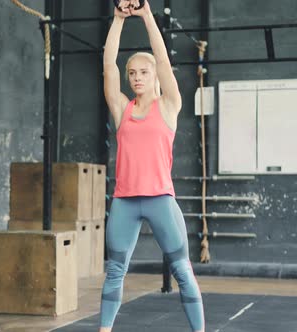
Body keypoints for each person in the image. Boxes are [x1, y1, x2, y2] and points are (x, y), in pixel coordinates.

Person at [99, 1, 205, 331]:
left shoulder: (169, 106)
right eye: (132, 73)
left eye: (143, 72)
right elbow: (108, 68)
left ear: (155, 75)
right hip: (125, 201)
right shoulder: (122, 109)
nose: (136, 77)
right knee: (115, 269)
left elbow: (162, 59)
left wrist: (146, 16)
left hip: (160, 198)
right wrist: (117, 20)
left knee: (182, 269)